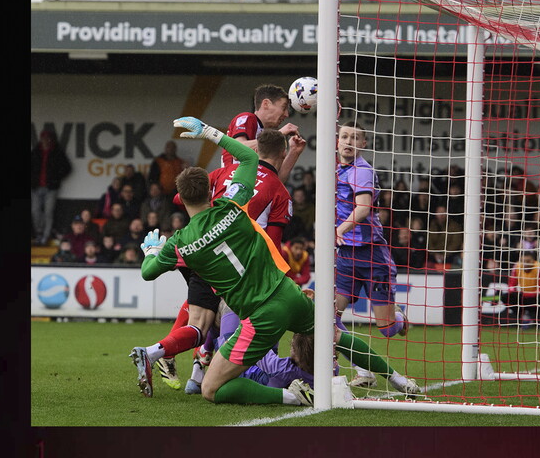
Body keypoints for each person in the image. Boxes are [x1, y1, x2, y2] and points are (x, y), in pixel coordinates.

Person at [131, 116, 420, 404]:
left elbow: (148, 272)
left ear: (179, 199)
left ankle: (294, 397)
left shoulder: (181, 242)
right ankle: (398, 379)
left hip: (259, 315)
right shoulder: (233, 205)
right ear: (211, 190)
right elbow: (247, 156)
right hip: (287, 293)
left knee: (211, 388)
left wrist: (152, 251)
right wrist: (209, 131)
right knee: (335, 335)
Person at [158, 127, 300, 394]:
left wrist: (209, 212)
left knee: (204, 310)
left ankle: (193, 369)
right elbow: (274, 241)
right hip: (243, 260)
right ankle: (238, 374)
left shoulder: (226, 172)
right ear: (282, 152)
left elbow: (181, 197)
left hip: (201, 247)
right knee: (239, 318)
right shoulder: (278, 190)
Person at [334, 121, 409, 388]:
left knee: (387, 329)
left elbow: (363, 207)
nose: (349, 142)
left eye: (355, 138)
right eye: (345, 136)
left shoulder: (362, 171)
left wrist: (340, 227)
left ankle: (398, 316)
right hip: (345, 255)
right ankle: (363, 371)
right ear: (337, 140)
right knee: (328, 318)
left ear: (363, 144)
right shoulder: (335, 169)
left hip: (372, 255)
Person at [221, 84, 302, 183]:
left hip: (251, 192)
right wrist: (279, 134)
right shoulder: (248, 118)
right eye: (284, 107)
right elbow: (237, 150)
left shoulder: (266, 135)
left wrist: (294, 152)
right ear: (266, 104)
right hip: (231, 189)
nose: (286, 114)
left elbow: (276, 180)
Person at [30, 129, 72, 245]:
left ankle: (45, 236)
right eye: (43, 138)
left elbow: (67, 168)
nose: (45, 140)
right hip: (36, 188)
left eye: (48, 138)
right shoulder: (36, 152)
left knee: (48, 212)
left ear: (51, 139)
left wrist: (55, 178)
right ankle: (39, 233)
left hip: (51, 188)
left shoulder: (57, 152)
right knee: (35, 211)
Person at [504, 250, 540, 330]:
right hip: (525, 295)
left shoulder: (539, 267)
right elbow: (511, 285)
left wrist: (525, 294)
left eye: (528, 261)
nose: (525, 264)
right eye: (523, 261)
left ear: (533, 261)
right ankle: (523, 317)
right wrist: (516, 291)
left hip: (537, 296)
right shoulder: (517, 266)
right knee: (506, 297)